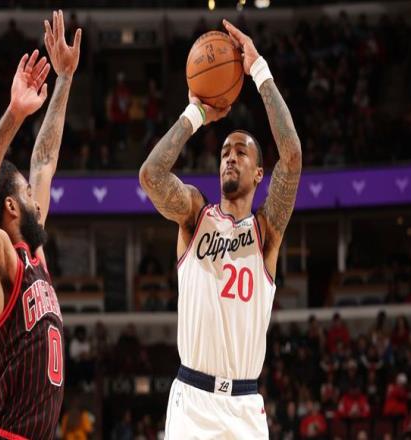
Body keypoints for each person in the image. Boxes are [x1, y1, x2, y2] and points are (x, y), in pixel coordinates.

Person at [140, 19, 302, 439]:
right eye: (225, 151)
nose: (230, 157)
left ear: (260, 172)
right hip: (192, 401)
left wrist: (259, 71)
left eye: (241, 152)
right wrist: (195, 114)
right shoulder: (196, 214)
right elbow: (151, 176)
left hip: (245, 406)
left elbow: (292, 155)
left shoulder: (266, 230)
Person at [0, 10, 80, 439]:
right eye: (29, 194)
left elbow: (44, 161)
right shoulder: (1, 264)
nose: (37, 198)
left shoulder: (34, 256)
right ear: (11, 207)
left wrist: (64, 79)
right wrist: (14, 113)